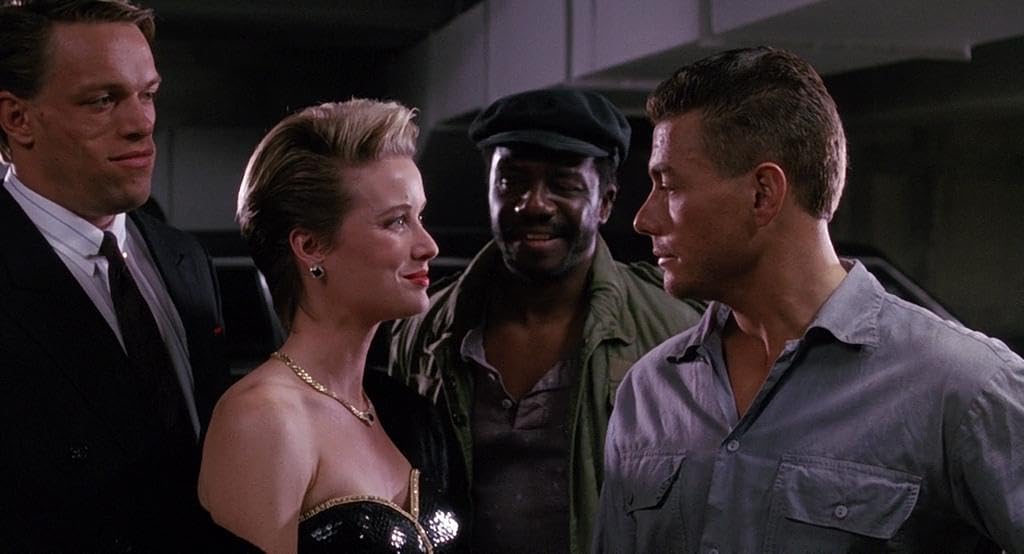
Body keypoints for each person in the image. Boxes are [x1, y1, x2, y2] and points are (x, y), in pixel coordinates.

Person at [594, 46, 1024, 553]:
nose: (643, 219)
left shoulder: (962, 386)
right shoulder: (649, 392)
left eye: (668, 186)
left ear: (762, 194)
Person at [390, 88, 703, 552]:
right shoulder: (426, 328)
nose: (534, 204)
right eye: (511, 182)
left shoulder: (674, 331)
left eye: (564, 184)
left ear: (605, 201)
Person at [0, 1, 234, 550]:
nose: (141, 124)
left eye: (147, 94)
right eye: (102, 101)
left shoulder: (185, 260)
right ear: (17, 118)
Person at [199, 99, 465, 553]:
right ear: (310, 246)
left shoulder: (408, 414)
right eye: (396, 221)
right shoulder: (263, 419)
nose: (428, 245)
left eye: (419, 217)